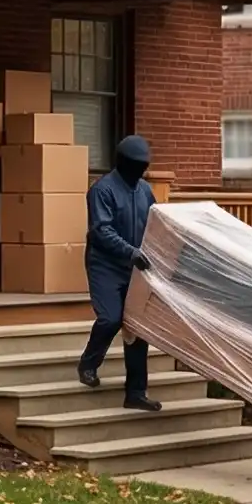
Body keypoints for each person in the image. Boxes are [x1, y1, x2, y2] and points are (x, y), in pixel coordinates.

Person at [76, 134, 161, 411]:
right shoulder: (102, 190)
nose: (141, 171)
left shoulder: (145, 190)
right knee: (111, 318)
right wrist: (131, 251)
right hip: (106, 265)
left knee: (138, 328)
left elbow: (156, 221)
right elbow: (102, 231)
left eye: (144, 166)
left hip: (135, 268)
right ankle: (89, 363)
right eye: (137, 165)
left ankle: (135, 393)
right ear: (124, 163)